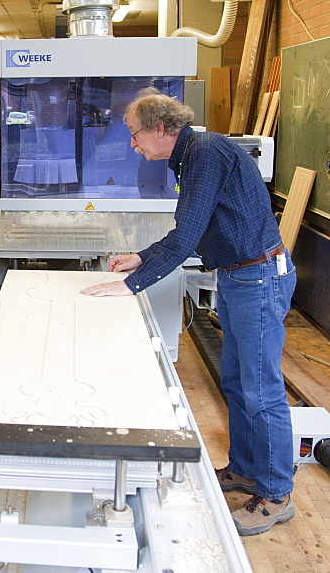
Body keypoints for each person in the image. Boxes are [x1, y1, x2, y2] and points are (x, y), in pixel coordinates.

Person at [81, 91, 296, 537]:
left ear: (162, 128)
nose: (134, 144)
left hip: (258, 278)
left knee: (262, 391)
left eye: (136, 134)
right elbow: (191, 234)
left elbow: (185, 235)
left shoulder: (205, 153)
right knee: (237, 383)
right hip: (241, 277)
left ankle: (276, 494)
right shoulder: (192, 157)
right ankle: (244, 470)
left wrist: (129, 285)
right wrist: (141, 258)